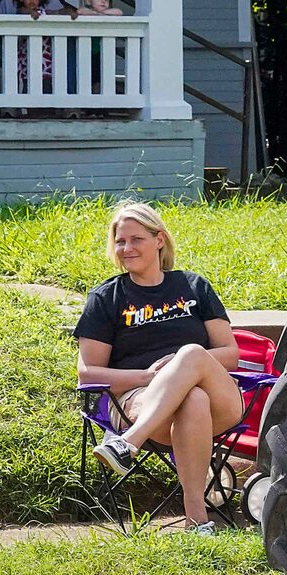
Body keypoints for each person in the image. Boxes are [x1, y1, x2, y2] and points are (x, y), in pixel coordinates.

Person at [77, 202, 248, 531]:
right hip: (139, 399)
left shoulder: (193, 286)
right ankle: (197, 522)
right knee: (192, 398)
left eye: (136, 239)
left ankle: (127, 443)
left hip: (220, 404)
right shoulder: (106, 298)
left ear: (159, 240)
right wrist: (150, 376)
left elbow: (230, 353)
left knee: (192, 356)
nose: (126, 248)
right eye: (120, 241)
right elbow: (88, 373)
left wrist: (183, 362)